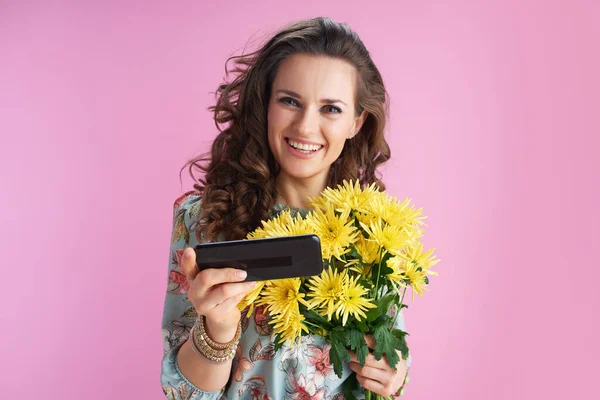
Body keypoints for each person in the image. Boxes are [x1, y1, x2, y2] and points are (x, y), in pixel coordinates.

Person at [161, 17, 411, 400]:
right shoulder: (205, 218)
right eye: (290, 101)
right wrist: (218, 328)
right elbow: (186, 393)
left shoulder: (376, 230)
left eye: (331, 109)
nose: (306, 127)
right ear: (266, 105)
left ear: (357, 122)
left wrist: (391, 377)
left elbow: (385, 365)